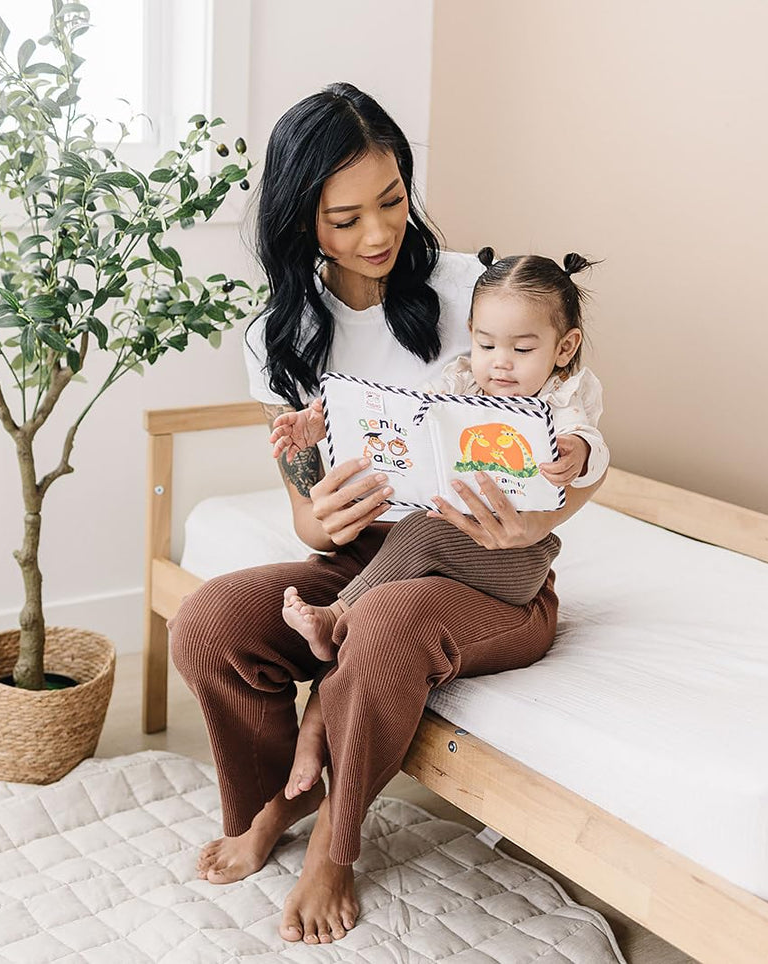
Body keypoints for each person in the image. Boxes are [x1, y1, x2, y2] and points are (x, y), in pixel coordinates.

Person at [166, 82, 607, 947]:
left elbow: (575, 423)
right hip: (366, 557)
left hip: (488, 573)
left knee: (388, 620)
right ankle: (269, 808)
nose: (376, 234)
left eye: (393, 201)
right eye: (343, 218)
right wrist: (317, 507)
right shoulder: (279, 335)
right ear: (300, 221)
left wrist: (531, 522)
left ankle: (334, 843)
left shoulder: (474, 291)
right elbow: (305, 516)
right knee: (207, 621)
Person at [270, 247, 610, 661]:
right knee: (420, 527)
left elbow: (593, 446)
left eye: (522, 350)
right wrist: (328, 425)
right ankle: (357, 631)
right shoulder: (462, 385)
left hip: (517, 557)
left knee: (419, 531)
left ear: (564, 348)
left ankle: (337, 615)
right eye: (485, 345)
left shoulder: (561, 397)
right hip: (454, 543)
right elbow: (407, 423)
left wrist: (579, 451)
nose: (500, 364)